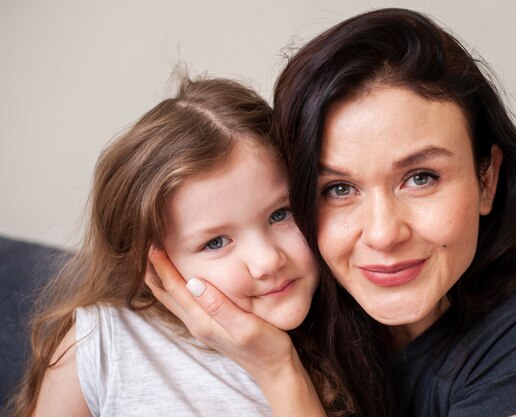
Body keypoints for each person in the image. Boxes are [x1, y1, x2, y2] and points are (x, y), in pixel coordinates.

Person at [148, 7, 516, 417]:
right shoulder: (285, 296)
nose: (382, 234)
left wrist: (278, 373)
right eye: (338, 188)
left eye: (421, 178)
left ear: (487, 179)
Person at [5, 76, 390, 417]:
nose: (267, 260)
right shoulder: (101, 345)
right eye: (216, 242)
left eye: (280, 214)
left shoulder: (356, 335)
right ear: (153, 263)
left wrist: (279, 368)